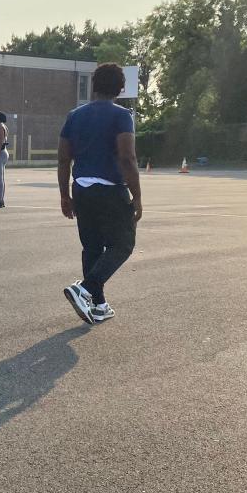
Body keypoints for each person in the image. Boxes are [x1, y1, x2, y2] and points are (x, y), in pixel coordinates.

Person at [57, 62, 141, 325]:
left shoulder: (74, 116)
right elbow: (127, 158)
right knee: (123, 244)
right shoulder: (121, 115)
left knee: (92, 247)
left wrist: (64, 196)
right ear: (120, 87)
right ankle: (85, 288)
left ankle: (99, 305)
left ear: (94, 86)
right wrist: (137, 196)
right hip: (110, 191)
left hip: (81, 189)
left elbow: (63, 160)